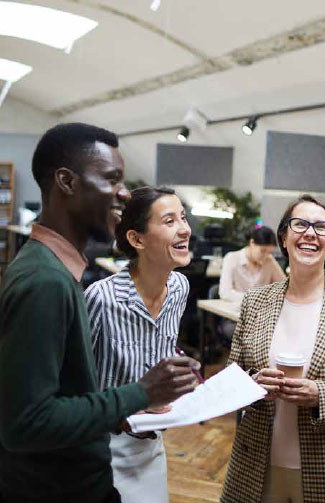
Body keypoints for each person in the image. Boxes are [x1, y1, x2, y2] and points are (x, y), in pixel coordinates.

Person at [0, 123, 199, 503]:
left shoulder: (53, 272)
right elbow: (25, 423)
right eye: (111, 179)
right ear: (67, 182)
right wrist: (140, 394)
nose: (124, 193)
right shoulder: (46, 282)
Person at [221, 194, 325, 503]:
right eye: (299, 224)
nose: (310, 233)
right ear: (284, 238)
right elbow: (231, 379)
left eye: (321, 227)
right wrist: (254, 386)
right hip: (256, 467)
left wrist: (319, 396)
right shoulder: (255, 302)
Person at [85, 186, 191, 503]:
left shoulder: (179, 288)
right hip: (102, 448)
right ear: (137, 239)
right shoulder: (101, 299)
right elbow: (73, 385)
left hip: (151, 444)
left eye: (183, 218)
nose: (185, 228)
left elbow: (161, 352)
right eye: (169, 221)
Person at [219, 226, 286, 304]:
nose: (266, 256)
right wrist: (254, 298)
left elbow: (284, 287)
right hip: (237, 311)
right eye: (262, 251)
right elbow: (225, 293)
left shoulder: (269, 259)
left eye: (270, 252)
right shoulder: (232, 258)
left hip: (262, 312)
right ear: (252, 243)